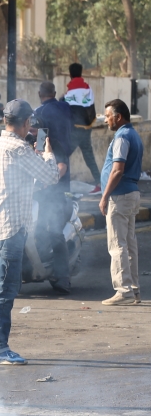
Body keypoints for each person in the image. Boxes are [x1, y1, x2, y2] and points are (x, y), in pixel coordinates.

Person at [0, 100, 59, 365]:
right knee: (6, 290)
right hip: (12, 229)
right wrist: (48, 153)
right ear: (26, 123)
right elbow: (50, 176)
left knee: (1, 288)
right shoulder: (20, 149)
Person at [99, 100, 144, 306]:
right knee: (129, 244)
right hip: (131, 194)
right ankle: (133, 289)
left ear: (118, 117)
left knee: (117, 244)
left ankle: (123, 290)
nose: (106, 119)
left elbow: (117, 170)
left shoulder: (122, 137)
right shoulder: (133, 134)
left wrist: (105, 196)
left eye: (108, 116)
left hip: (120, 196)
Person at [32, 82, 74, 293]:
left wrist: (47, 178)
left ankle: (63, 276)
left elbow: (59, 168)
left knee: (54, 232)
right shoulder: (64, 108)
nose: (30, 130)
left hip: (55, 192)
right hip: (43, 192)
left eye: (33, 127)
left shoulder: (52, 143)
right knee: (36, 230)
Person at [63, 63, 101, 193]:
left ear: (70, 73)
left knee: (63, 155)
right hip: (87, 128)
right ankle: (100, 184)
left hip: (75, 130)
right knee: (89, 156)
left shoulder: (70, 90)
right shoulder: (88, 88)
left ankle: (63, 186)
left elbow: (66, 107)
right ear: (81, 72)